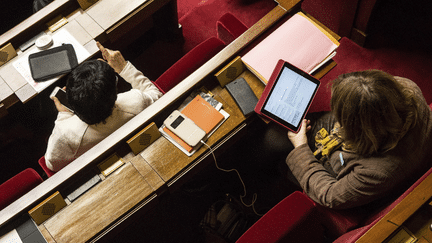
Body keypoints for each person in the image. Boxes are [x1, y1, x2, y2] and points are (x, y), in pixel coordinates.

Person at [286, 70, 432, 209]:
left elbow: (330, 195)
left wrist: (300, 147)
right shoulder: (407, 87)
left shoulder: (376, 173)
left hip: (352, 166)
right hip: (375, 137)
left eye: (341, 118)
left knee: (283, 163)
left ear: (356, 130)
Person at [45, 42, 162, 172]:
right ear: (115, 89)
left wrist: (64, 115)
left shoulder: (66, 134)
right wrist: (124, 67)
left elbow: (52, 164)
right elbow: (157, 95)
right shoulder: (136, 100)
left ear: (71, 100)